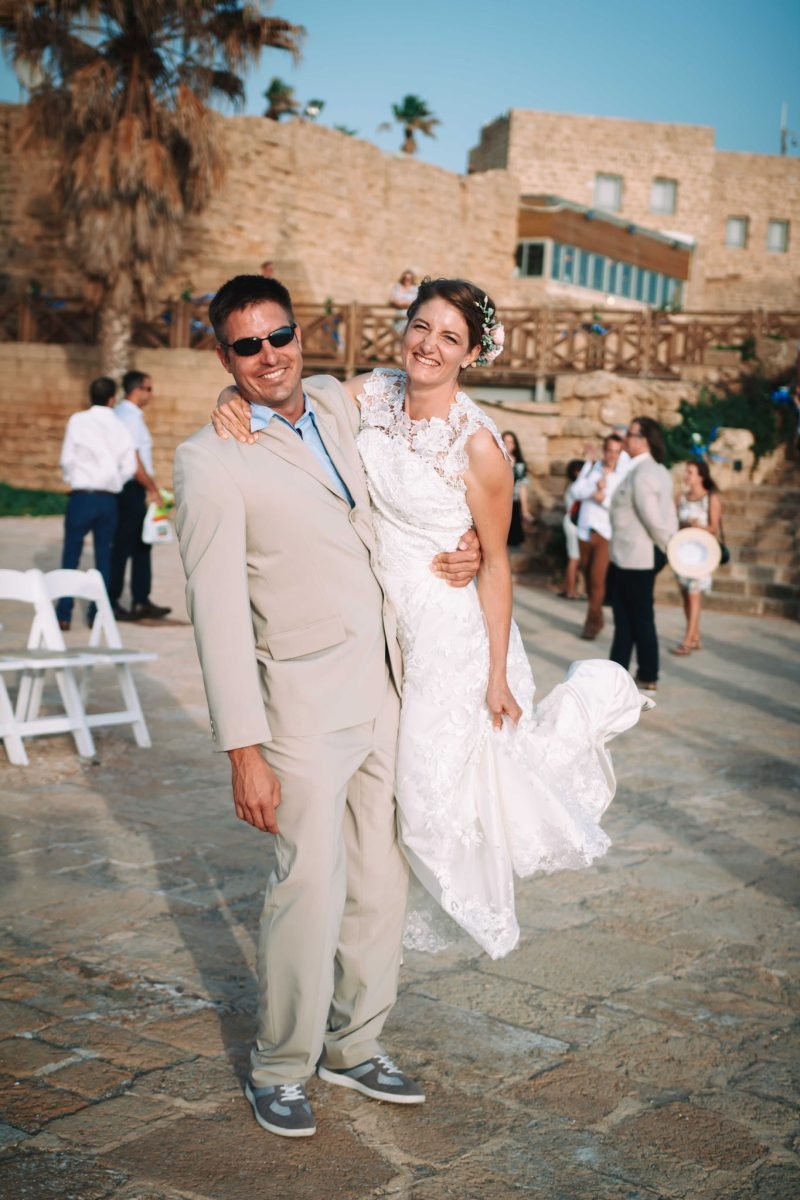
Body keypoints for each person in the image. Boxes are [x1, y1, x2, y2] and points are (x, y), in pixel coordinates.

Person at [213, 276, 648, 971]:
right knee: (394, 800)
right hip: (383, 623)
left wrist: (498, 674)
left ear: (472, 354)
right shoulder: (372, 392)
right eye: (421, 327)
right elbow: (292, 393)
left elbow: (496, 566)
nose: (429, 346)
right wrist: (230, 396)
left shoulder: (479, 446)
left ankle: (397, 932)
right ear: (405, 327)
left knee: (426, 802)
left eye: (450, 337)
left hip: (448, 633)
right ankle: (356, 944)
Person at [175, 274, 481, 1140]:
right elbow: (215, 613)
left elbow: (442, 424)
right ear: (224, 357)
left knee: (382, 878)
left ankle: (356, 1044)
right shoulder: (209, 460)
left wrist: (471, 541)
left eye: (279, 336)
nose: (268, 356)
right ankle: (280, 1065)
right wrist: (243, 750)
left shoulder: (345, 403)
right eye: (246, 346)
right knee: (307, 886)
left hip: (389, 683)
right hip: (300, 704)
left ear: (300, 334)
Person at [55, 376, 137, 630]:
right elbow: (130, 466)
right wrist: (114, 482)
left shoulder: (77, 420)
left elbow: (67, 459)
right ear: (112, 399)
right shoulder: (121, 426)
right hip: (108, 499)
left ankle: (64, 614)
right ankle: (97, 613)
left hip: (82, 496)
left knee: (71, 555)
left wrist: (74, 479)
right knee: (104, 557)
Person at [608, 417, 678, 692]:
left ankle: (647, 673)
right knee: (627, 619)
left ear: (644, 440)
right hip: (630, 555)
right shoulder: (651, 469)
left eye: (630, 433)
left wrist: (670, 548)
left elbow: (655, 519)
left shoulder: (644, 472)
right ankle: (618, 673)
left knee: (637, 618)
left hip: (636, 557)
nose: (625, 437)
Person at [109, 371, 171, 621]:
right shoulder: (130, 418)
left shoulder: (121, 414)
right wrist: (152, 489)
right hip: (130, 487)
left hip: (130, 487)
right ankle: (113, 601)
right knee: (124, 545)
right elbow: (134, 461)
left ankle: (140, 599)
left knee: (140, 544)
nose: (151, 394)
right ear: (137, 390)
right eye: (149, 389)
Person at [571, 434, 630, 639]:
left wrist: (603, 499)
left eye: (616, 451)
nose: (612, 455)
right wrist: (593, 490)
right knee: (588, 577)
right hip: (585, 530)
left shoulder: (622, 475)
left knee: (597, 579)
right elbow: (576, 491)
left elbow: (620, 505)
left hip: (605, 533)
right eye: (609, 450)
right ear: (604, 450)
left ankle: (591, 624)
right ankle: (598, 617)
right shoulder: (592, 468)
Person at [670, 459, 722, 655]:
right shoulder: (681, 498)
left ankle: (687, 640)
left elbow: (714, 527)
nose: (686, 476)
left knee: (694, 596)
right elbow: (672, 523)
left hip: (701, 555)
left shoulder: (711, 498)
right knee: (686, 596)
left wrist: (699, 527)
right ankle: (695, 635)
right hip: (682, 553)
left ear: (701, 476)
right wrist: (685, 525)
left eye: (690, 472)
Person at [502, 431, 533, 548]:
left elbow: (522, 487)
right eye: (505, 442)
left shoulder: (520, 465)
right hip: (497, 503)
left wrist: (525, 511)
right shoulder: (496, 461)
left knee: (512, 539)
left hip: (513, 503)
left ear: (515, 445)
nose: (508, 445)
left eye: (510, 442)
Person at [559, 459, 584, 598]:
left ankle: (568, 587)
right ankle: (570, 590)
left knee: (574, 557)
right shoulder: (576, 487)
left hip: (571, 521)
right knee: (574, 558)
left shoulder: (571, 486)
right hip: (574, 523)